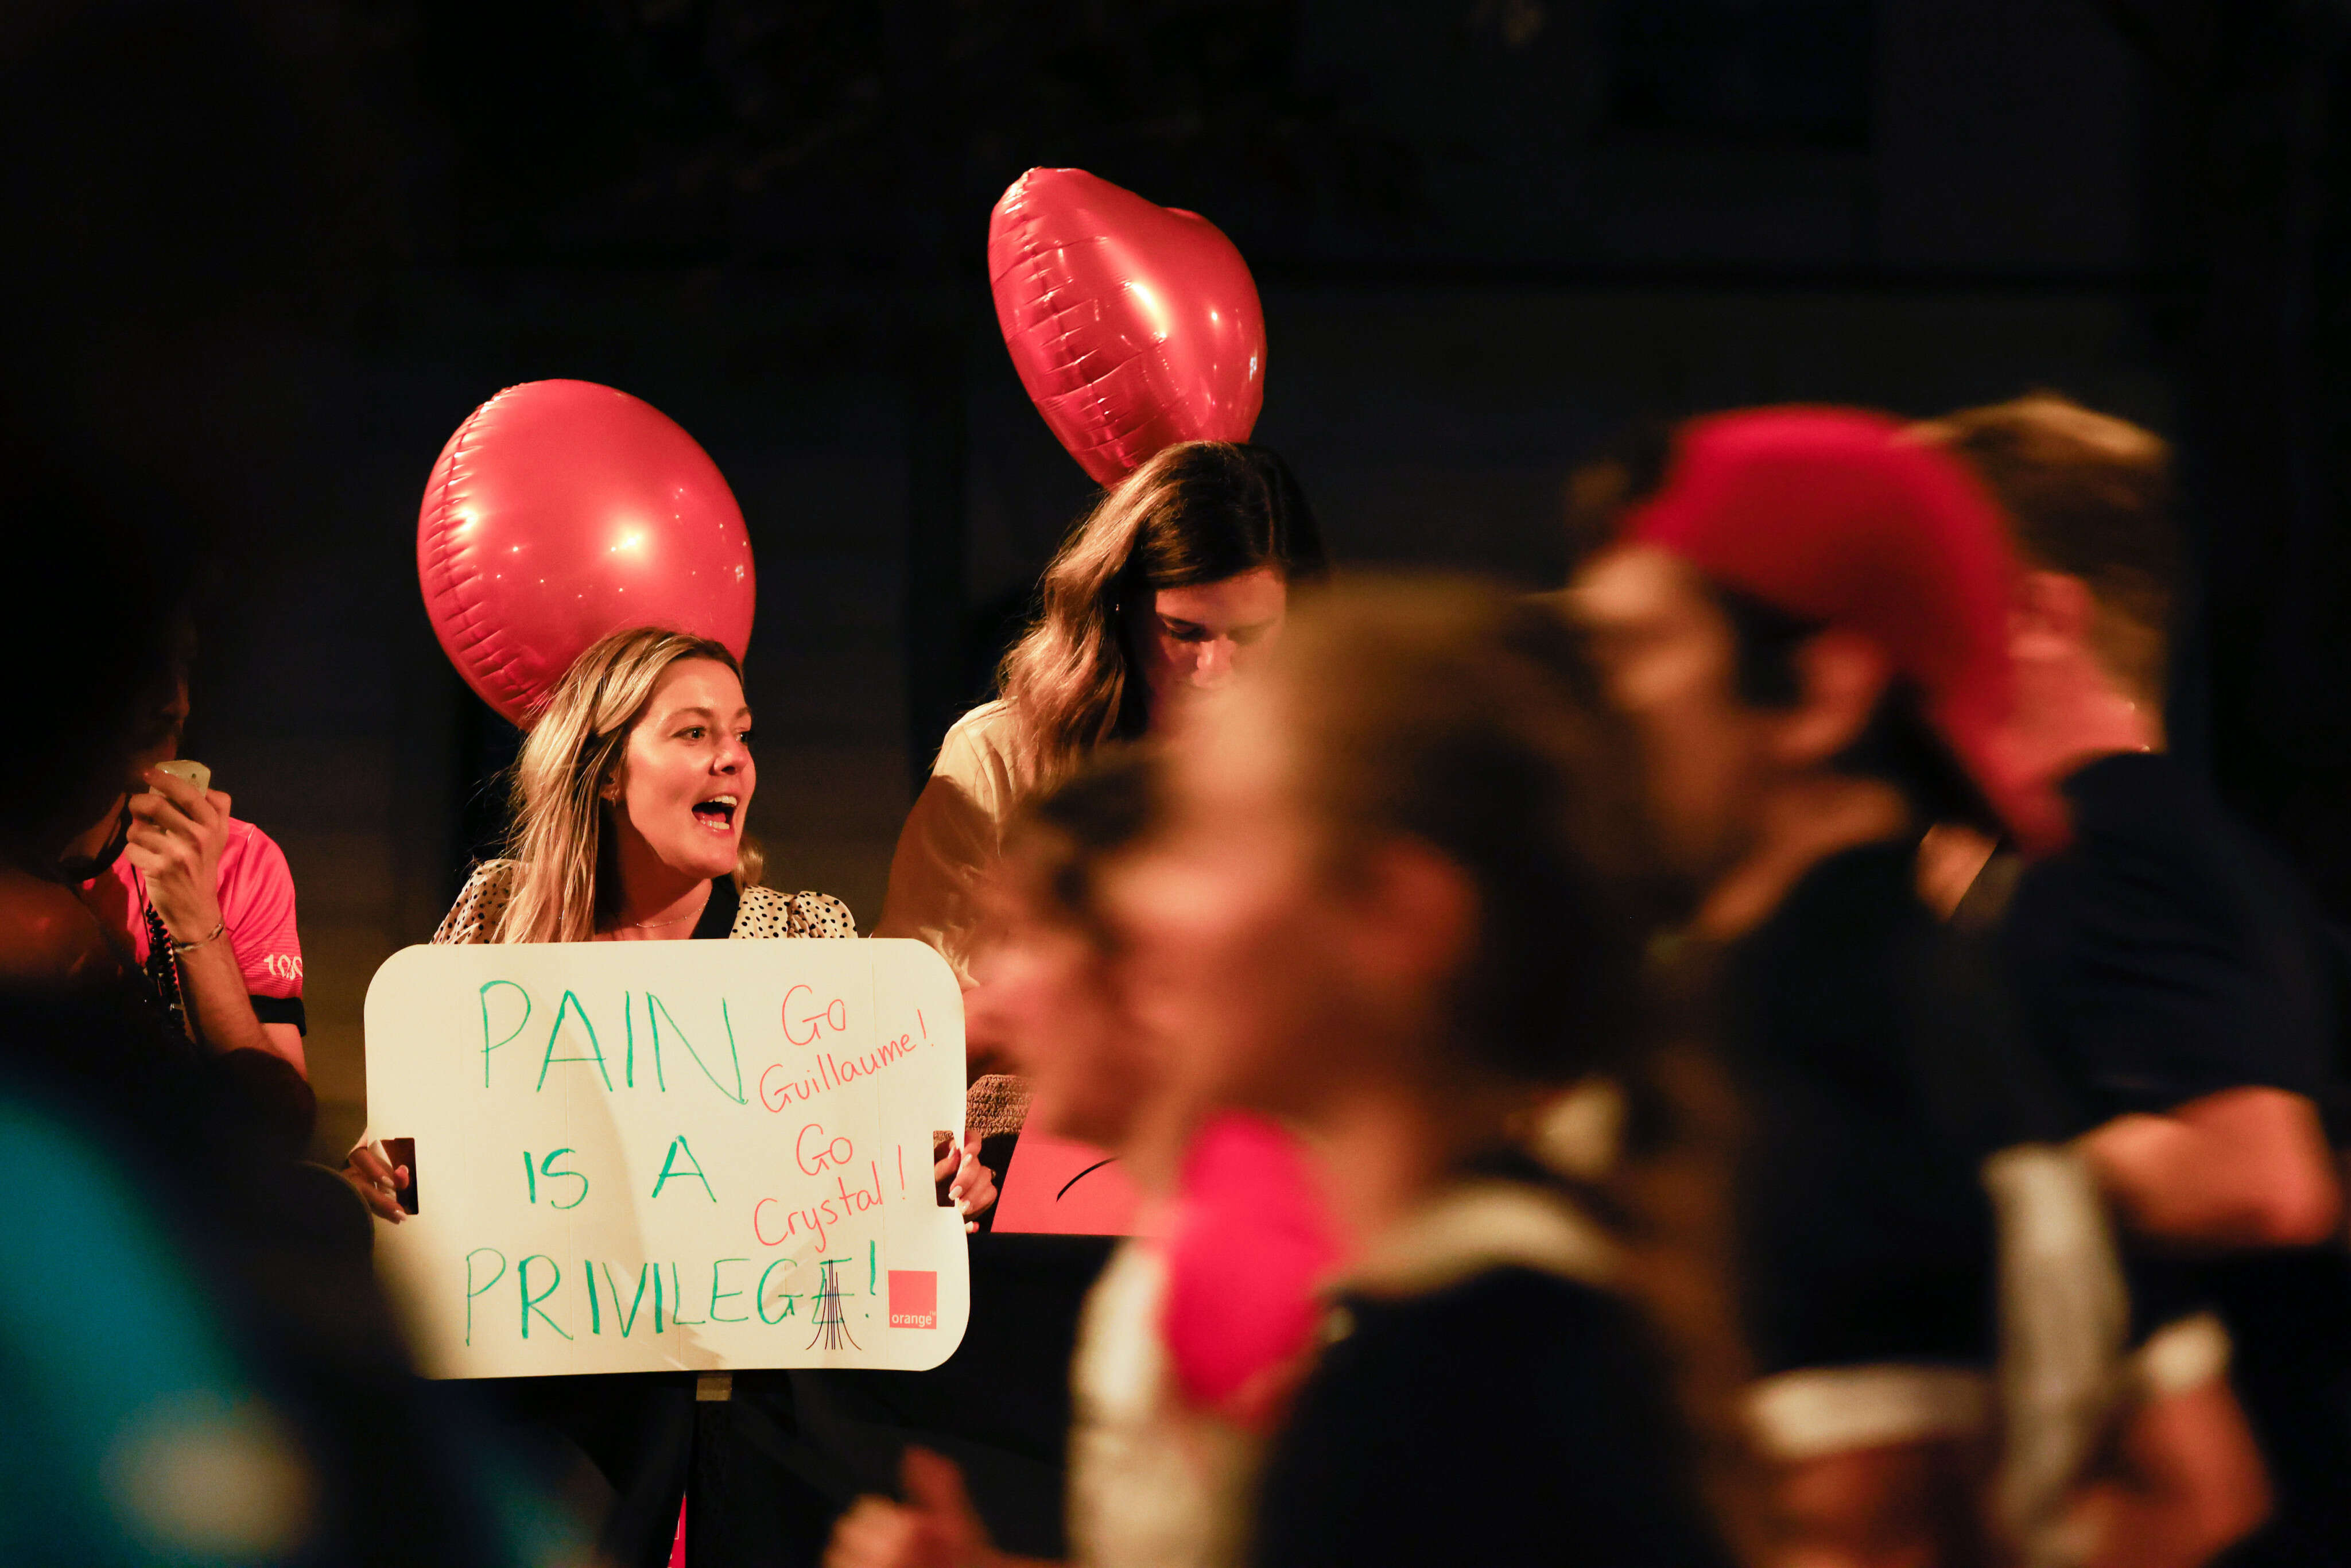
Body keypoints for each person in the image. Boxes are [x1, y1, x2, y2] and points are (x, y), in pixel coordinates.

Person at [1570, 406, 2269, 1568]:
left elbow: (1872, 1533)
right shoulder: (1951, 998)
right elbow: (2191, 1486)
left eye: (1638, 649)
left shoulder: (1784, 1053)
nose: (1605, 704)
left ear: (1818, 692)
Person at [1106, 577, 1740, 1568]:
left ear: (1399, 917)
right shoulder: (1473, 1332)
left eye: (1209, 838)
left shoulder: (1455, 1393)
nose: (1138, 899)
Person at [1923, 394, 2351, 1566]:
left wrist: (1950, 1176)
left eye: (1913, 585)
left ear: (2032, 614)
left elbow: (2260, 1174)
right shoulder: (2144, 858)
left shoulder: (2116, 847)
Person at [827, 750, 1346, 1568]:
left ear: (1141, 976)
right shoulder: (1189, 1233)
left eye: (1023, 941)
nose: (993, 987)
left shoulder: (1248, 1255)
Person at [876, 441, 1325, 996]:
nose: (1214, 670)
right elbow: (900, 1020)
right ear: (1118, 610)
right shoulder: (997, 756)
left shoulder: (1317, 768)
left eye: (1250, 635)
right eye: (1184, 632)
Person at [72, 651, 309, 1074]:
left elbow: (280, 1126)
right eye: (143, 649)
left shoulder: (239, 857)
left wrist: (197, 923)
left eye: (180, 658)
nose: (177, 696)